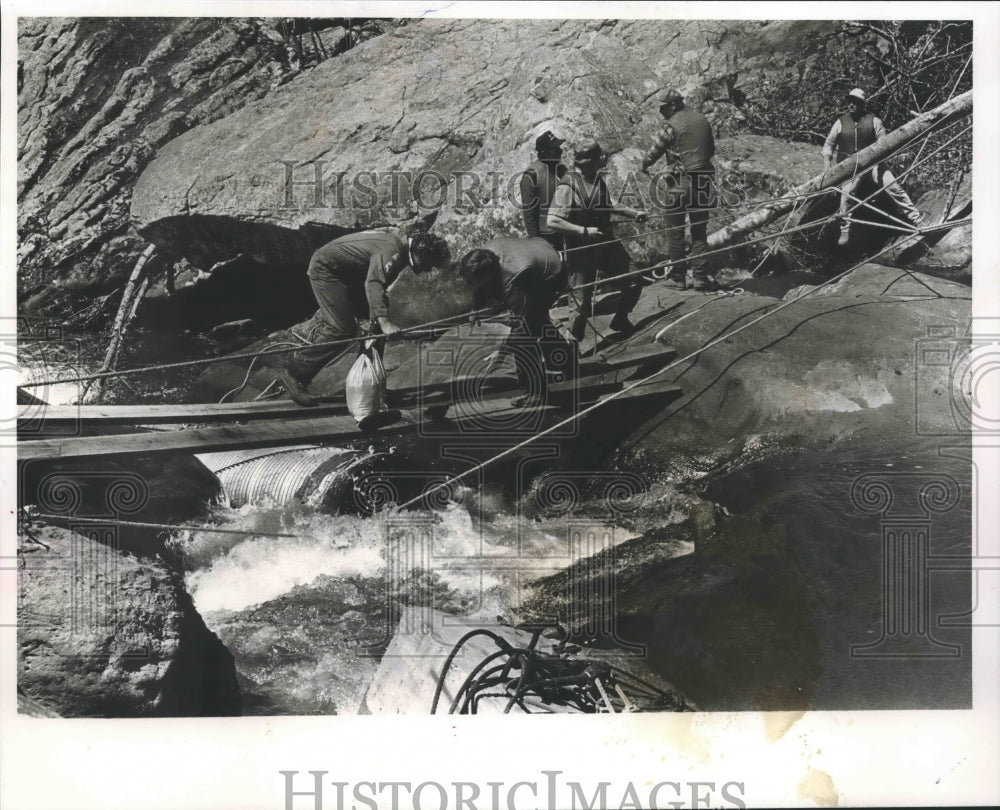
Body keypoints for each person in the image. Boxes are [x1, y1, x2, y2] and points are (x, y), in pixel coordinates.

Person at [277, 230, 451, 406]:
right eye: (432, 264)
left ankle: (370, 386)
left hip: (350, 275)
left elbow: (377, 288)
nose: (428, 270)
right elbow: (374, 283)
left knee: (374, 331)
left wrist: (378, 322)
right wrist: (385, 322)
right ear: (423, 252)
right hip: (327, 270)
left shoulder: (400, 249)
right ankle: (295, 374)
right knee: (341, 329)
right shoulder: (394, 251)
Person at [546, 141, 648, 341]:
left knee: (634, 277)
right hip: (581, 249)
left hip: (605, 243)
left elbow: (607, 204)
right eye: (599, 157)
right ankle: (571, 346)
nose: (603, 158)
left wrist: (632, 213)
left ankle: (621, 318)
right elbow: (553, 220)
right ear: (590, 161)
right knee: (581, 301)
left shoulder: (596, 179)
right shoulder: (567, 187)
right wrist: (583, 231)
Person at [458, 237, 569, 408]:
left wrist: (501, 353)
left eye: (471, 281)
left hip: (551, 276)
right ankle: (565, 357)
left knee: (526, 334)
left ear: (487, 276)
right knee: (534, 321)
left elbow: (520, 326)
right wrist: (477, 309)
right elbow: (481, 288)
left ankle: (536, 392)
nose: (468, 284)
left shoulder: (514, 279)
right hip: (535, 253)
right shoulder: (485, 255)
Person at [822, 88, 923, 247]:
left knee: (893, 187)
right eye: (849, 101)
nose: (851, 105)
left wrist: (879, 160)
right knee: (847, 192)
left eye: (855, 102)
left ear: (862, 104)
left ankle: (917, 221)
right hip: (850, 167)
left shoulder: (874, 121)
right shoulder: (841, 122)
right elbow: (829, 144)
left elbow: (885, 145)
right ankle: (845, 229)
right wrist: (827, 161)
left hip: (873, 164)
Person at [640, 88, 717, 291]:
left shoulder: (670, 125)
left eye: (663, 108)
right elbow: (711, 150)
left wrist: (644, 164)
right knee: (699, 232)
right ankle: (700, 277)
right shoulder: (701, 119)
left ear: (673, 105)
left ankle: (678, 278)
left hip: (680, 183)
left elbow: (654, 152)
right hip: (703, 181)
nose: (660, 112)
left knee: (675, 232)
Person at [519, 130, 567, 249]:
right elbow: (529, 214)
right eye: (555, 149)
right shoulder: (531, 176)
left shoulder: (561, 170)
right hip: (547, 236)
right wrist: (537, 244)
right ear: (544, 152)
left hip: (565, 229)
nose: (560, 150)